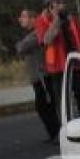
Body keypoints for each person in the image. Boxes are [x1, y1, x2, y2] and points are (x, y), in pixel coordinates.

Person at [34, 0, 80, 120]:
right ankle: (68, 131)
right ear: (49, 5)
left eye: (63, 2)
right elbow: (46, 40)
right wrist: (56, 21)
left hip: (76, 66)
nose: (62, 5)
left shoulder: (71, 19)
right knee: (64, 105)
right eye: (58, 3)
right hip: (58, 70)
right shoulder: (41, 21)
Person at [15, 9, 58, 141]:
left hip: (43, 76)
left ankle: (57, 134)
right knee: (45, 106)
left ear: (33, 19)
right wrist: (21, 46)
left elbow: (21, 48)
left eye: (23, 16)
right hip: (37, 77)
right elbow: (21, 49)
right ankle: (55, 134)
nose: (20, 19)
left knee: (44, 107)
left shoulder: (37, 33)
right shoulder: (30, 35)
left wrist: (20, 45)